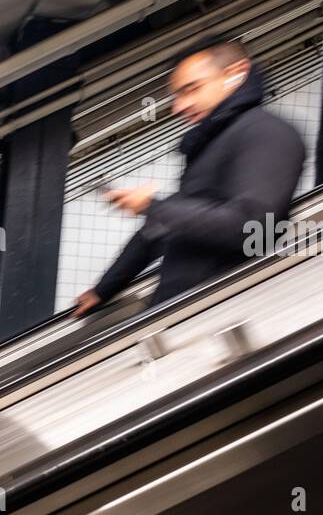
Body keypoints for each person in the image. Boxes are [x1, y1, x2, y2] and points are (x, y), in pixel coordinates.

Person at [74, 37, 305, 317]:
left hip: (219, 312)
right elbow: (160, 229)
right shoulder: (212, 144)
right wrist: (103, 290)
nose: (179, 107)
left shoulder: (267, 133)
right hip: (183, 310)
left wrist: (152, 206)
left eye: (192, 89)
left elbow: (253, 227)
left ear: (235, 74)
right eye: (177, 96)